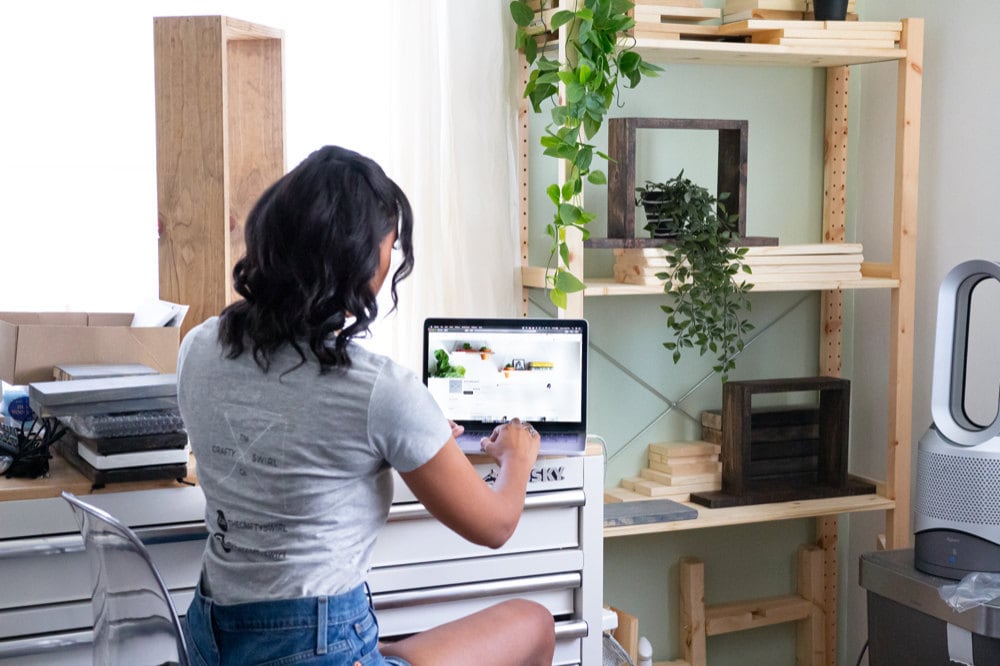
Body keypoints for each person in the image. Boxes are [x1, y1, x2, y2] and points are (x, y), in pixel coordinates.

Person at [177, 145, 555, 665]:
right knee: (532, 624)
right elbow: (494, 526)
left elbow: (292, 426)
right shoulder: (378, 390)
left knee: (399, 644)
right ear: (363, 257)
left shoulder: (197, 346)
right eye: (390, 245)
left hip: (214, 643)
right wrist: (517, 457)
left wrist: (411, 433)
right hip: (315, 648)